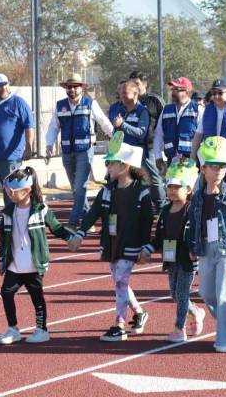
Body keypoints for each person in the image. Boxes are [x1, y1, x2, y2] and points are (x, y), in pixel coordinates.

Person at [71, 132, 152, 342]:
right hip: (111, 242)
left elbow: (146, 222)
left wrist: (146, 247)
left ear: (124, 166)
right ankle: (139, 312)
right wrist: (80, 233)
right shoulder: (107, 190)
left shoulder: (141, 192)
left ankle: (119, 325)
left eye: (110, 163)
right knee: (119, 281)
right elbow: (93, 212)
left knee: (120, 283)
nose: (107, 166)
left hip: (131, 244)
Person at [0, 166, 76, 345]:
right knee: (6, 292)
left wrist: (70, 237)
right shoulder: (8, 214)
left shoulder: (41, 210)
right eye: (7, 190)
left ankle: (42, 329)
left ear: (26, 191)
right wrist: (2, 260)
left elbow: (56, 227)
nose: (8, 194)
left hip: (34, 264)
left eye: (12, 191)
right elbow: (3, 239)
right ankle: (12, 328)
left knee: (37, 296)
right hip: (14, 265)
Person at [187, 136, 226, 353]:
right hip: (205, 249)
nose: (219, 171)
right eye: (214, 166)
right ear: (203, 168)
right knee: (206, 293)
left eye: (223, 167)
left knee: (224, 294)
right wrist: (192, 247)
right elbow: (193, 223)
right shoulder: (197, 197)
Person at [139, 157, 205, 343]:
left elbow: (199, 233)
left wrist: (195, 249)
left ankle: (179, 327)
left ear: (189, 190)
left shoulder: (192, 210)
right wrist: (149, 248)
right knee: (174, 294)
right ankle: (196, 311)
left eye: (177, 187)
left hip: (186, 259)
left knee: (182, 294)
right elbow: (159, 237)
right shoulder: (165, 211)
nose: (172, 191)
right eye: (169, 187)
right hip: (170, 258)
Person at [46, 73, 113, 228]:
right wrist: (49, 145)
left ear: (81, 88)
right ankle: (89, 220)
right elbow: (53, 127)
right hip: (67, 151)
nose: (72, 90)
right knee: (76, 189)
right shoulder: (60, 106)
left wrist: (116, 137)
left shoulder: (90, 103)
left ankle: (73, 222)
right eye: (69, 87)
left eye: (75, 87)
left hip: (85, 150)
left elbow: (104, 122)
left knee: (80, 186)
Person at [0, 73, 35, 233]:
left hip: (10, 157)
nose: (3, 87)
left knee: (11, 189)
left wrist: (29, 146)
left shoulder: (18, 103)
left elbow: (29, 126)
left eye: (5, 84)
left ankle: (13, 219)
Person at [109, 81, 160, 211]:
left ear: (135, 94)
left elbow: (141, 133)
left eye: (125, 93)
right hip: (121, 155)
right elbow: (116, 132)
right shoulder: (119, 110)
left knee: (147, 182)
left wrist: (123, 125)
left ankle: (160, 206)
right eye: (121, 94)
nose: (122, 96)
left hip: (137, 156)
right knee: (118, 183)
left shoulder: (142, 111)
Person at [129, 71, 166, 210]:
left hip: (150, 146)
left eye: (137, 84)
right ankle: (142, 207)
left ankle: (161, 206)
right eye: (132, 84)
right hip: (133, 147)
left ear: (145, 84)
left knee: (154, 178)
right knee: (136, 179)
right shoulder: (129, 100)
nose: (134, 87)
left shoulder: (155, 100)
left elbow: (166, 120)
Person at [154, 77, 202, 171]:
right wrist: (158, 156)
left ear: (187, 92)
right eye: (172, 89)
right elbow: (158, 134)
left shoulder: (198, 110)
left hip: (191, 161)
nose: (173, 93)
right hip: (171, 160)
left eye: (177, 90)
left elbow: (203, 137)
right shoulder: (166, 110)